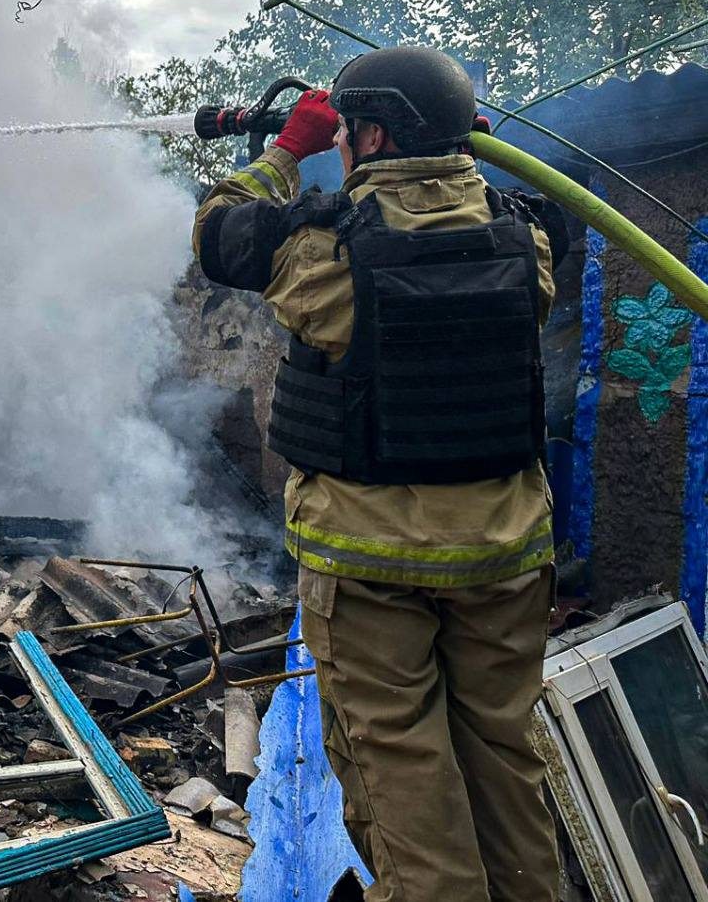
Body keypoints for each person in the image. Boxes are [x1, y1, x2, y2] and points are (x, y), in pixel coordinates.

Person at [192, 46, 567, 902]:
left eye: (351, 134)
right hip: (506, 559)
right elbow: (542, 218)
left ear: (367, 132)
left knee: (401, 778)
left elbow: (221, 232)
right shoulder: (530, 237)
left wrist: (288, 148)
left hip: (370, 569)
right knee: (505, 763)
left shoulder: (320, 247)